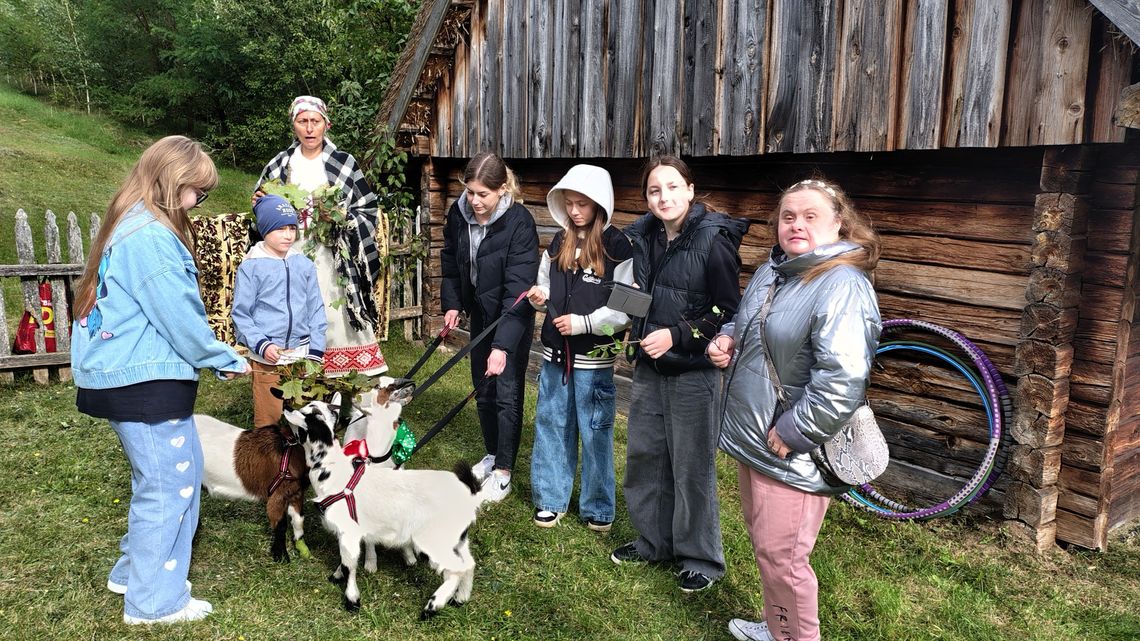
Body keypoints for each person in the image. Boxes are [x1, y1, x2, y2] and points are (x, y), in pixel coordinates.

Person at [70, 135, 250, 625]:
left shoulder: (128, 224)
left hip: (126, 377)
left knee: (172, 473)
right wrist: (223, 357)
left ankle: (134, 572)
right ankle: (154, 601)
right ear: (172, 183)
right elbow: (179, 315)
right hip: (143, 382)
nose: (197, 203)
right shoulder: (151, 236)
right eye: (197, 192)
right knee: (168, 487)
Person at [709, 178, 881, 641]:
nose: (796, 225)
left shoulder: (842, 284)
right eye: (788, 216)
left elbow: (842, 380)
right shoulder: (775, 269)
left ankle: (794, 635)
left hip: (790, 448)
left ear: (838, 224)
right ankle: (776, 627)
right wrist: (727, 337)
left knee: (785, 559)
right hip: (756, 437)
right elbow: (746, 321)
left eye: (810, 216)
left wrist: (795, 431)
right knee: (769, 548)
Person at [611, 155, 748, 593]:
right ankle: (653, 542)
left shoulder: (714, 239)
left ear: (690, 189)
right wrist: (627, 305)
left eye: (672, 187)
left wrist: (676, 335)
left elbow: (727, 309)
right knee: (646, 458)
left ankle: (700, 558)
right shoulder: (643, 236)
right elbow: (645, 299)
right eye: (654, 190)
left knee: (691, 467)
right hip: (650, 369)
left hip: (693, 372)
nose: (664, 197)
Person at [526, 164, 634, 531]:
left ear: (599, 205)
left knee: (596, 432)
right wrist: (540, 297)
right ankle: (551, 497)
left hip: (594, 360)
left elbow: (625, 310)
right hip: (555, 356)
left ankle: (599, 507)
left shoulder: (619, 248)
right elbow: (545, 288)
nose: (575, 211)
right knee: (552, 424)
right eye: (570, 203)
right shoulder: (558, 242)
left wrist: (585, 323)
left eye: (583, 204)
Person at [253, 95, 387, 377]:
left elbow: (367, 209)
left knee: (331, 310)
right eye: (303, 122)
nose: (310, 128)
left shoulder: (343, 163)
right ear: (294, 126)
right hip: (291, 254)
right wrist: (261, 203)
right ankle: (296, 371)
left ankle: (344, 375)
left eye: (315, 121)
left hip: (332, 257)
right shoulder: (280, 165)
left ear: (327, 124)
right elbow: (261, 210)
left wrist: (341, 219)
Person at [440, 152, 538, 503]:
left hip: (511, 315)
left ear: (502, 189)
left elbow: (519, 289)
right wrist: (452, 304)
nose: (475, 201)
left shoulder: (519, 223)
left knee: (506, 392)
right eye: (470, 192)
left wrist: (502, 346)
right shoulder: (458, 213)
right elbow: (450, 260)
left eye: (484, 194)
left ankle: (504, 472)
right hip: (480, 312)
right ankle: (493, 453)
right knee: (483, 389)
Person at [231, 194, 327, 427]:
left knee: (306, 419)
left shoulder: (303, 264)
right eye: (280, 228)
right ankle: (268, 461)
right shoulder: (251, 267)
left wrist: (316, 348)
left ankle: (300, 461)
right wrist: (262, 345)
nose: (288, 235)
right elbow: (241, 314)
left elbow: (316, 309)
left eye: (292, 228)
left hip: (301, 354)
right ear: (264, 229)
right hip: (268, 358)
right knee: (269, 421)